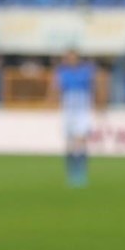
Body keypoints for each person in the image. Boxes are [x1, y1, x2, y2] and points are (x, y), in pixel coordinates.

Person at [53, 49, 97, 187]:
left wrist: (99, 104)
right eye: (68, 57)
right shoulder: (61, 72)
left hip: (82, 110)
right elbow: (57, 90)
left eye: (73, 57)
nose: (70, 60)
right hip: (68, 110)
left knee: (81, 141)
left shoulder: (86, 71)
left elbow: (94, 87)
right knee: (70, 144)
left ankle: (81, 173)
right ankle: (71, 173)